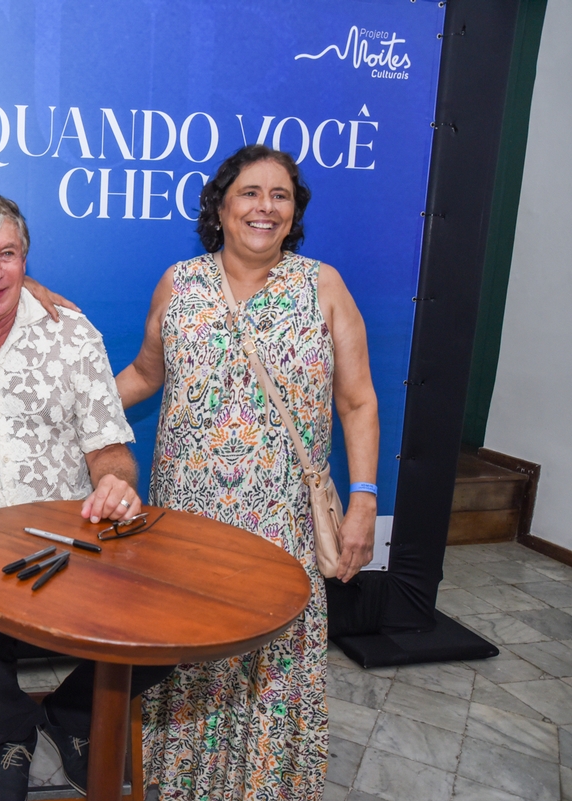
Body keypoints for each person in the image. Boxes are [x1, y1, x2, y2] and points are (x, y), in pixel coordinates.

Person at [115, 144, 379, 799]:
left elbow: (357, 401)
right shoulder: (179, 283)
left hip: (281, 526)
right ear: (221, 207)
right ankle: (183, 783)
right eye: (250, 193)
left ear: (294, 213)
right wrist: (73, 409)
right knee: (190, 658)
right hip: (187, 524)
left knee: (273, 661)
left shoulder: (323, 286)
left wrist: (365, 501)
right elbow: (145, 373)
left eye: (280, 195)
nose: (265, 207)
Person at [0, 193, 174, 801]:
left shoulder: (72, 334)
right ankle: (15, 729)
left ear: (26, 258)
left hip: (69, 539)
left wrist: (116, 481)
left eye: (8, 254)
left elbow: (109, 445)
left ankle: (69, 715)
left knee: (169, 639)